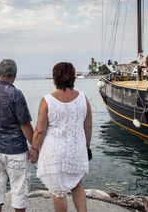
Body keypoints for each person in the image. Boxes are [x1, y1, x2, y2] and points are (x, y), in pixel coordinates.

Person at [29, 62, 93, 212]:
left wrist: (34, 148)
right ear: (73, 77)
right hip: (77, 149)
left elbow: (39, 130)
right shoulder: (83, 99)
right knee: (78, 186)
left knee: (59, 193)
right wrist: (87, 147)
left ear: (54, 78)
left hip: (55, 152)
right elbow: (88, 127)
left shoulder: (47, 100)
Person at [0, 59, 34, 212]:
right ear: (14, 75)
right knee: (19, 190)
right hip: (16, 151)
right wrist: (35, 146)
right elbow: (25, 125)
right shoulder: (16, 94)